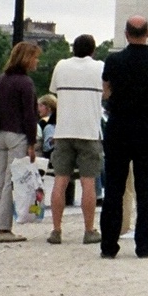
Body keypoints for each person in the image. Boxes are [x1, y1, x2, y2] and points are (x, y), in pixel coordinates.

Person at [99, 17, 148, 260]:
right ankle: (144, 244)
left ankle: (109, 244)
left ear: (126, 34)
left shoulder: (113, 60)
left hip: (119, 125)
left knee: (114, 188)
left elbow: (106, 90)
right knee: (146, 188)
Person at [48, 35, 104, 245]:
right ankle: (89, 230)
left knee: (60, 181)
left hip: (64, 130)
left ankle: (56, 230)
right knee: (88, 183)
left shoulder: (61, 66)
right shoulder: (99, 67)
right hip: (89, 130)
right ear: (93, 50)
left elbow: (53, 91)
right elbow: (107, 92)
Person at [0, 41, 40, 244]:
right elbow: (29, 115)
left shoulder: (1, 80)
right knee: (12, 182)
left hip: (0, 134)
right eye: (35, 57)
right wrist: (32, 142)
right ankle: (3, 228)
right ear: (26, 59)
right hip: (17, 134)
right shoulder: (25, 83)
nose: (36, 61)